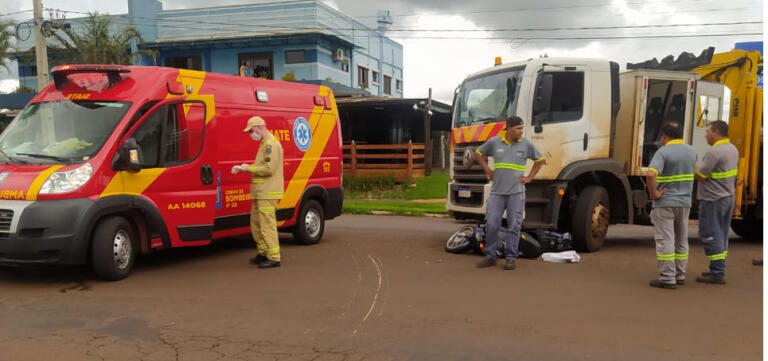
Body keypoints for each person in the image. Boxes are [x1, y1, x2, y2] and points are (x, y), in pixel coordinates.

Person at [474, 115, 545, 270]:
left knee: (514, 225)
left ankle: (511, 257)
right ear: (509, 128)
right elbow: (478, 154)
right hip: (497, 193)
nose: (521, 131)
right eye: (518, 128)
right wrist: (487, 170)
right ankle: (490, 256)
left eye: (522, 128)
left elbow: (540, 160)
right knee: (492, 223)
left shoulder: (525, 144)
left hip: (516, 193)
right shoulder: (495, 142)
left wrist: (530, 177)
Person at [645, 121, 697, 289]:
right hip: (684, 203)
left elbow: (651, 174)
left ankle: (667, 278)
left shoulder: (663, 152)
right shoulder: (691, 151)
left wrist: (654, 194)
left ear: (664, 136)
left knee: (666, 239)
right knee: (682, 239)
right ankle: (679, 275)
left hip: (665, 203)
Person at [231, 116, 284, 268]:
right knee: (255, 224)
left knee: (267, 225)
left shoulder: (271, 145)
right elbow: (261, 165)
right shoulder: (263, 144)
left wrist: (248, 168)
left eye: (252, 131)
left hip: (268, 193)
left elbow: (268, 169)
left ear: (260, 128)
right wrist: (245, 167)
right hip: (260, 193)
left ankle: (274, 257)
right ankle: (263, 253)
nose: (251, 135)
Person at [694, 120, 739, 284]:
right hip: (727, 197)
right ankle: (718, 267)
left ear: (716, 132)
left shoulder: (714, 152)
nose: (706, 134)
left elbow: (701, 176)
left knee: (711, 234)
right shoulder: (732, 149)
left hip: (713, 199)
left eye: (708, 131)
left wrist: (694, 165)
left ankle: (718, 273)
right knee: (721, 234)